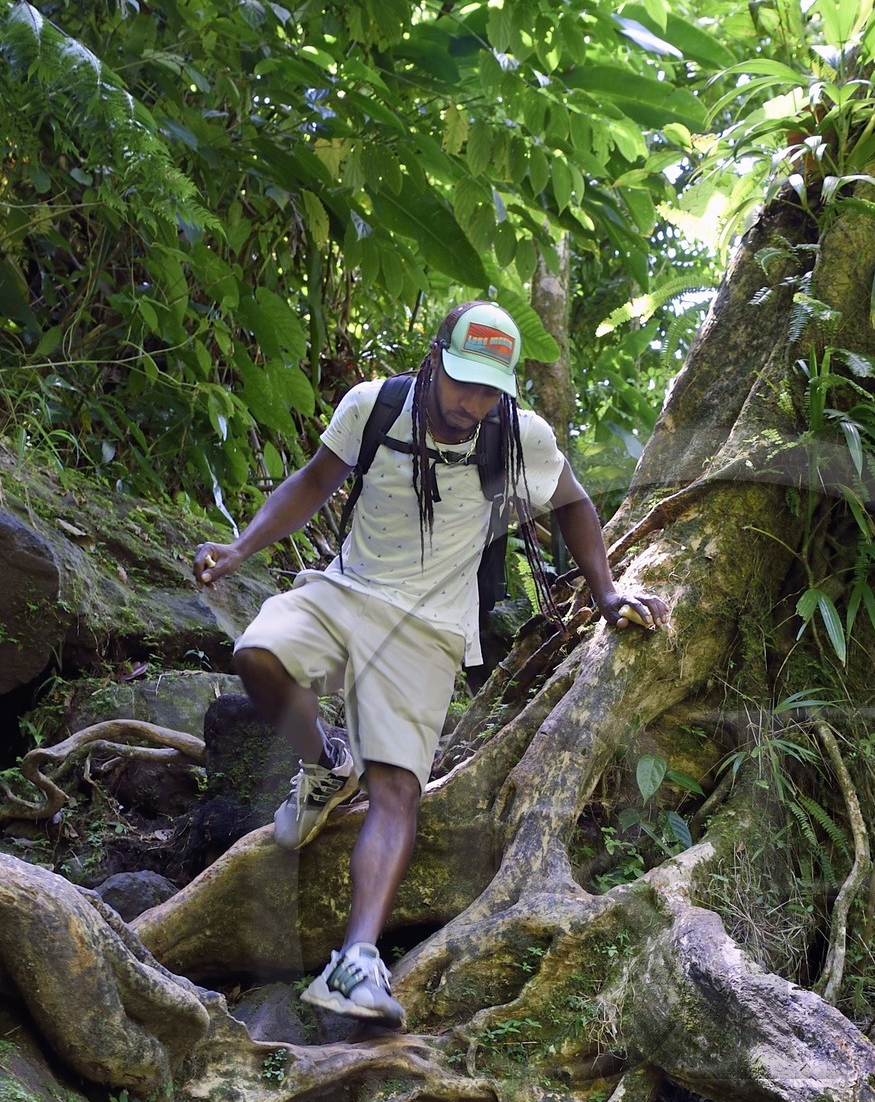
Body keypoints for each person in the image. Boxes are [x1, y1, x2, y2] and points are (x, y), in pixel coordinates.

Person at [192, 298, 665, 1027]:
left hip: (428, 627)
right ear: (434, 357)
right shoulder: (375, 406)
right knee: (257, 654)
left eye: (488, 389)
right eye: (462, 382)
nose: (471, 403)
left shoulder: (515, 437)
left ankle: (354, 962)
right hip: (344, 589)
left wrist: (604, 592)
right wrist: (240, 548)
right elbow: (314, 483)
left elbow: (572, 503)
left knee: (397, 792)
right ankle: (324, 763)